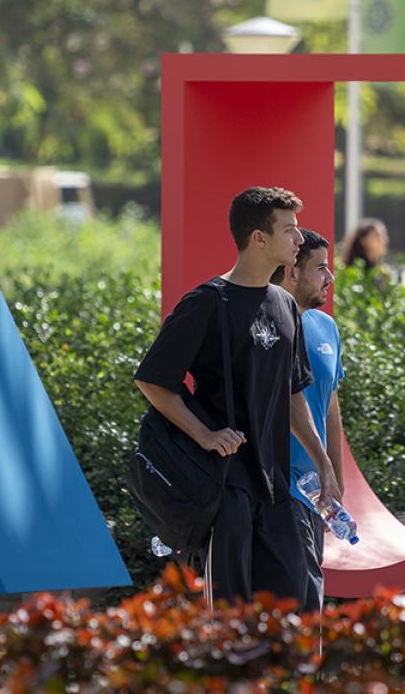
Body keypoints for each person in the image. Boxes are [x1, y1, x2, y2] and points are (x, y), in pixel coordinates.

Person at [133, 186, 342, 606]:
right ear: (258, 238)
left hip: (276, 485)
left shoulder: (284, 305)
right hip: (224, 488)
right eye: (290, 230)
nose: (299, 240)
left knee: (290, 605)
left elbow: (293, 394)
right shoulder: (208, 303)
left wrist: (324, 464)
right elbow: (153, 380)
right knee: (230, 614)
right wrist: (205, 434)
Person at [271, 228, 344, 613]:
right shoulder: (265, 326)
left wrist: (336, 478)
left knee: (309, 599)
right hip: (276, 489)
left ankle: (303, 673)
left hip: (316, 491)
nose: (329, 278)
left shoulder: (326, 326)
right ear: (292, 273)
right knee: (298, 604)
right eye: (320, 268)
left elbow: (331, 409)